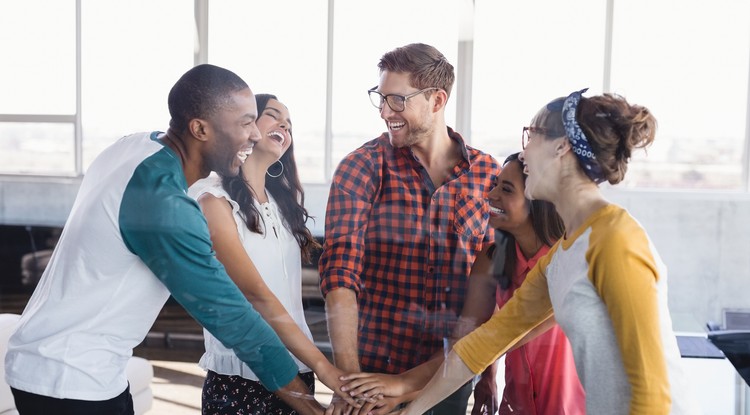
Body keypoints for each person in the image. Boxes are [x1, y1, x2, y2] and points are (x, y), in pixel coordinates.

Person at [4, 64, 325, 415]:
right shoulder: (165, 204)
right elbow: (235, 319)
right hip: (70, 379)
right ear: (200, 128)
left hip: (74, 368)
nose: (252, 135)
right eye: (245, 123)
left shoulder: (133, 146)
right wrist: (313, 407)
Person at [394, 89, 699, 414]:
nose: (523, 155)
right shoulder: (565, 253)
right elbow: (484, 344)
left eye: (532, 136)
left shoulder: (615, 240)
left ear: (561, 147)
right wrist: (412, 411)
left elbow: (652, 395)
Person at [319, 43, 499, 414]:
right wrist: (353, 384)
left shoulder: (488, 176)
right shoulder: (360, 168)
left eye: (397, 100)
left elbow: (490, 292)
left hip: (448, 379)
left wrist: (489, 374)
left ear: (436, 100)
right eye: (381, 99)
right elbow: (340, 280)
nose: (385, 112)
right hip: (372, 375)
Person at [338, 153, 585, 415]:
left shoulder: (567, 262)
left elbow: (489, 344)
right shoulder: (492, 258)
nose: (490, 195)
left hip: (573, 406)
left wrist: (403, 385)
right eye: (495, 185)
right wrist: (408, 395)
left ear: (538, 198)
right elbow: (463, 343)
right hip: (518, 403)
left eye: (506, 189)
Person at [189, 94, 357, 414]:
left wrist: (315, 367)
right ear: (246, 125)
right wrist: (325, 367)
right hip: (240, 378)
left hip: (299, 368)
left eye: (289, 123)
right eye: (273, 114)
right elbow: (256, 296)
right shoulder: (214, 200)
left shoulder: (284, 207)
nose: (284, 124)